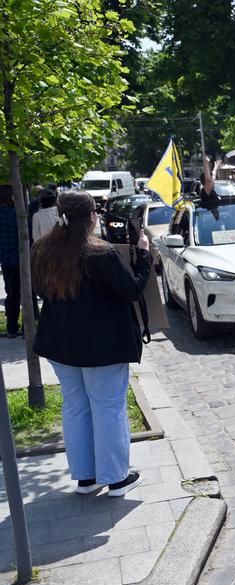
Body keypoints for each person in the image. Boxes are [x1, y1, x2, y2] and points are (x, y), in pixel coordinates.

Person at [31, 190, 150, 496]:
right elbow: (132, 290)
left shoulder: (43, 249)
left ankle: (86, 478)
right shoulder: (101, 253)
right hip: (102, 346)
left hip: (61, 343)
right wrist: (144, 254)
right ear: (93, 217)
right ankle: (115, 479)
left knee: (76, 407)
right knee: (108, 407)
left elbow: (42, 292)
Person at [0, 185, 21, 337]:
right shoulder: (17, 214)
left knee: (11, 294)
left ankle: (11, 327)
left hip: (6, 260)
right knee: (27, 294)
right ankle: (28, 328)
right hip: (21, 258)